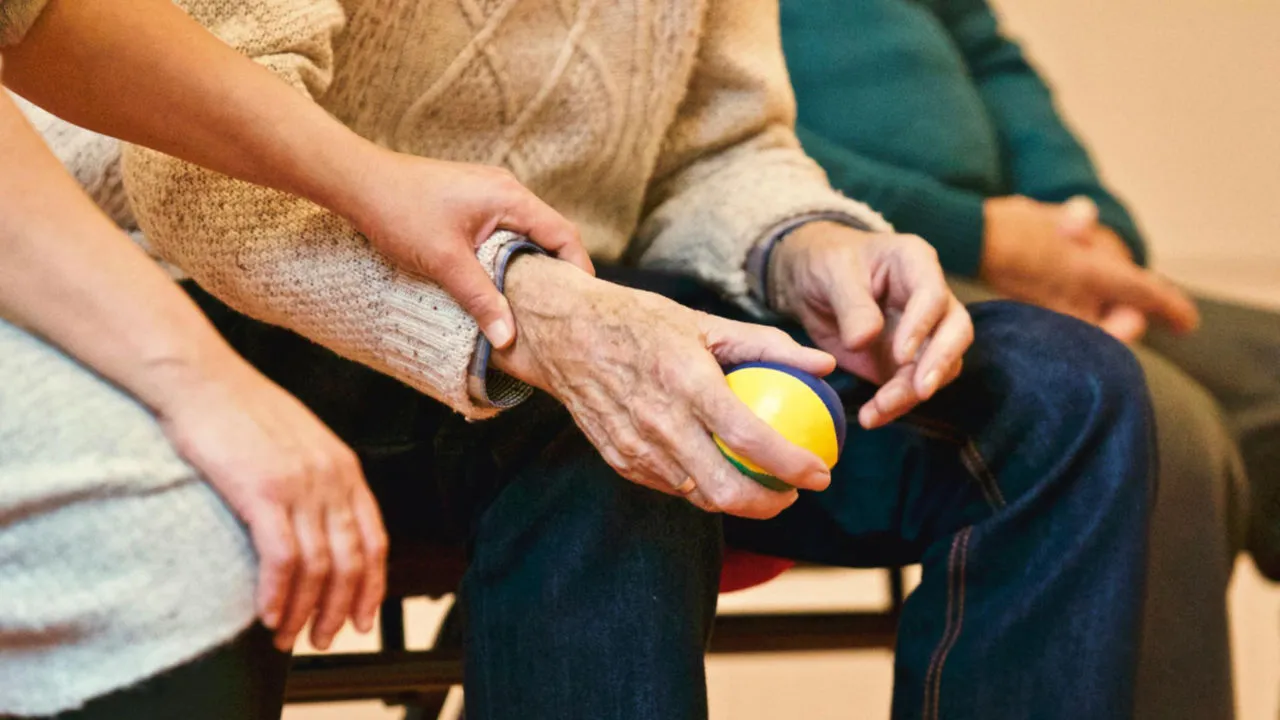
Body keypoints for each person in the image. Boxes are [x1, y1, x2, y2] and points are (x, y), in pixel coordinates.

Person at [25, 1, 1156, 719]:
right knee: (616, 426)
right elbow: (190, 177)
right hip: (262, 297)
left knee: (1060, 395)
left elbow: (716, 148)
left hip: (585, 301)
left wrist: (804, 247)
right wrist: (540, 316)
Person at [0, 0, 591, 715]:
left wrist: (376, 180)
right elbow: (177, 177)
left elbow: (36, 21)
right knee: (182, 551)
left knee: (594, 428)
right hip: (148, 263)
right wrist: (207, 386)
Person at [778, 0, 1276, 717]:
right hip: (834, 264)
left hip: (1014, 254)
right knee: (1144, 416)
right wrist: (978, 236)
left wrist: (1091, 229)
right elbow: (708, 140)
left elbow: (988, 56)